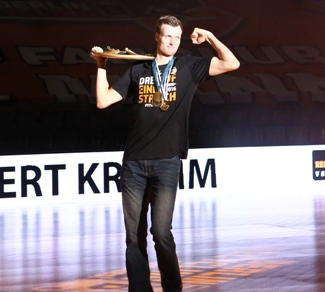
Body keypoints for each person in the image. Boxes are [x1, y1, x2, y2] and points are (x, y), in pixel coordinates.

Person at [91, 15, 240, 291]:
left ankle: (172, 288)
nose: (172, 42)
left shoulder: (189, 67)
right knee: (134, 236)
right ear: (157, 37)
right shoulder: (138, 70)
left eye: (177, 37)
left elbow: (232, 63)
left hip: (167, 162)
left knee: (161, 233)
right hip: (134, 163)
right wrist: (102, 64)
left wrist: (209, 37)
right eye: (168, 36)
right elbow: (102, 101)